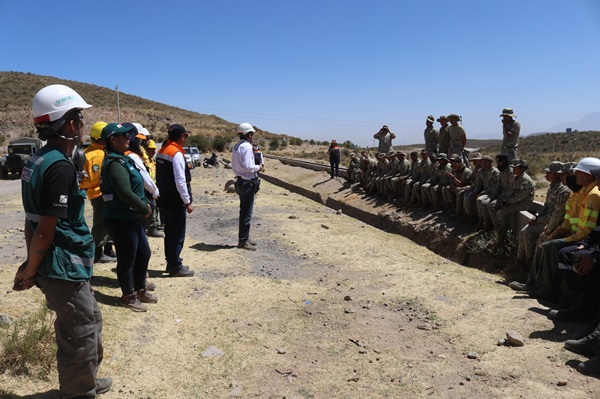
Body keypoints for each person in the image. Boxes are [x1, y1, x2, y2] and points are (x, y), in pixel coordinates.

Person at [13, 84, 111, 397]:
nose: (83, 126)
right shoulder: (58, 167)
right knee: (78, 331)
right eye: (80, 120)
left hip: (65, 264)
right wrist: (31, 270)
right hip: (62, 266)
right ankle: (79, 392)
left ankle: (88, 380)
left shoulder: (38, 160)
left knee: (91, 318)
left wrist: (31, 261)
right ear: (68, 124)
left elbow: (32, 218)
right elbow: (44, 228)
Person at [509, 157, 600, 301]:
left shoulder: (592, 195)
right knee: (546, 245)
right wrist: (558, 234)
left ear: (589, 174)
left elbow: (586, 230)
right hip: (576, 237)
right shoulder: (581, 193)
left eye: (577, 174)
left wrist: (563, 238)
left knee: (550, 247)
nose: (574, 177)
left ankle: (547, 291)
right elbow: (569, 221)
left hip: (581, 240)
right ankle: (533, 284)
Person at [100, 123, 156, 312]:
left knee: (144, 253)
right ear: (113, 140)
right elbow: (124, 192)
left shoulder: (124, 160)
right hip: (120, 217)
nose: (128, 138)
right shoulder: (114, 163)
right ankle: (128, 296)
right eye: (123, 136)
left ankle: (140, 289)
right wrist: (144, 207)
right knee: (127, 257)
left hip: (131, 216)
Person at [156, 124, 196, 276]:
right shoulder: (176, 153)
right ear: (181, 136)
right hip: (175, 201)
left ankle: (171, 262)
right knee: (177, 234)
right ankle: (175, 266)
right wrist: (187, 201)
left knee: (169, 233)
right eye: (186, 136)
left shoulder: (162, 151)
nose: (186, 139)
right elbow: (180, 180)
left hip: (163, 199)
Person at [80, 120, 117, 264]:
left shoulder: (93, 151)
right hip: (99, 194)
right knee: (101, 223)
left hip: (101, 194)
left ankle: (108, 249)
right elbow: (91, 179)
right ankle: (97, 252)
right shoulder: (96, 155)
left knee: (108, 222)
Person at [232, 122, 264, 250]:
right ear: (248, 134)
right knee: (246, 212)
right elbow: (248, 167)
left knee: (244, 211)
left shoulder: (237, 146)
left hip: (240, 181)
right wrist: (259, 167)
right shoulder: (246, 147)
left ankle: (245, 237)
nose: (253, 136)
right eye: (252, 134)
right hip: (247, 182)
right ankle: (243, 241)